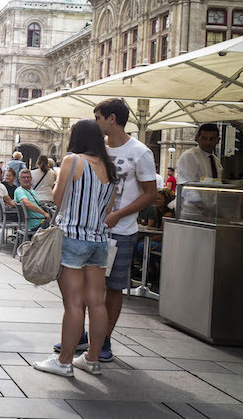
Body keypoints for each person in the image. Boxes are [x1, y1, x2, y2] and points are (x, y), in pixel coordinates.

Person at [33, 119, 117, 378]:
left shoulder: (73, 160)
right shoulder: (110, 167)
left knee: (73, 303)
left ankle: (65, 361)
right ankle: (92, 359)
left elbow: (58, 198)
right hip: (99, 240)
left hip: (73, 238)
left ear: (76, 137)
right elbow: (109, 209)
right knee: (97, 302)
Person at [90, 98, 157, 362]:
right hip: (93, 230)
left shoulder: (140, 152)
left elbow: (151, 194)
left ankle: (105, 338)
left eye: (98, 118)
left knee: (114, 287)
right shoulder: (99, 151)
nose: (96, 123)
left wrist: (118, 214)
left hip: (122, 231)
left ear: (112, 119)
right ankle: (90, 333)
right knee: (91, 287)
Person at [176, 124, 223, 218]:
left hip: (210, 212)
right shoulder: (190, 156)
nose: (208, 142)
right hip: (192, 211)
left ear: (218, 140)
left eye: (212, 139)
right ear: (197, 138)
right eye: (204, 138)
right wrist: (204, 209)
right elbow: (188, 187)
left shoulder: (215, 160)